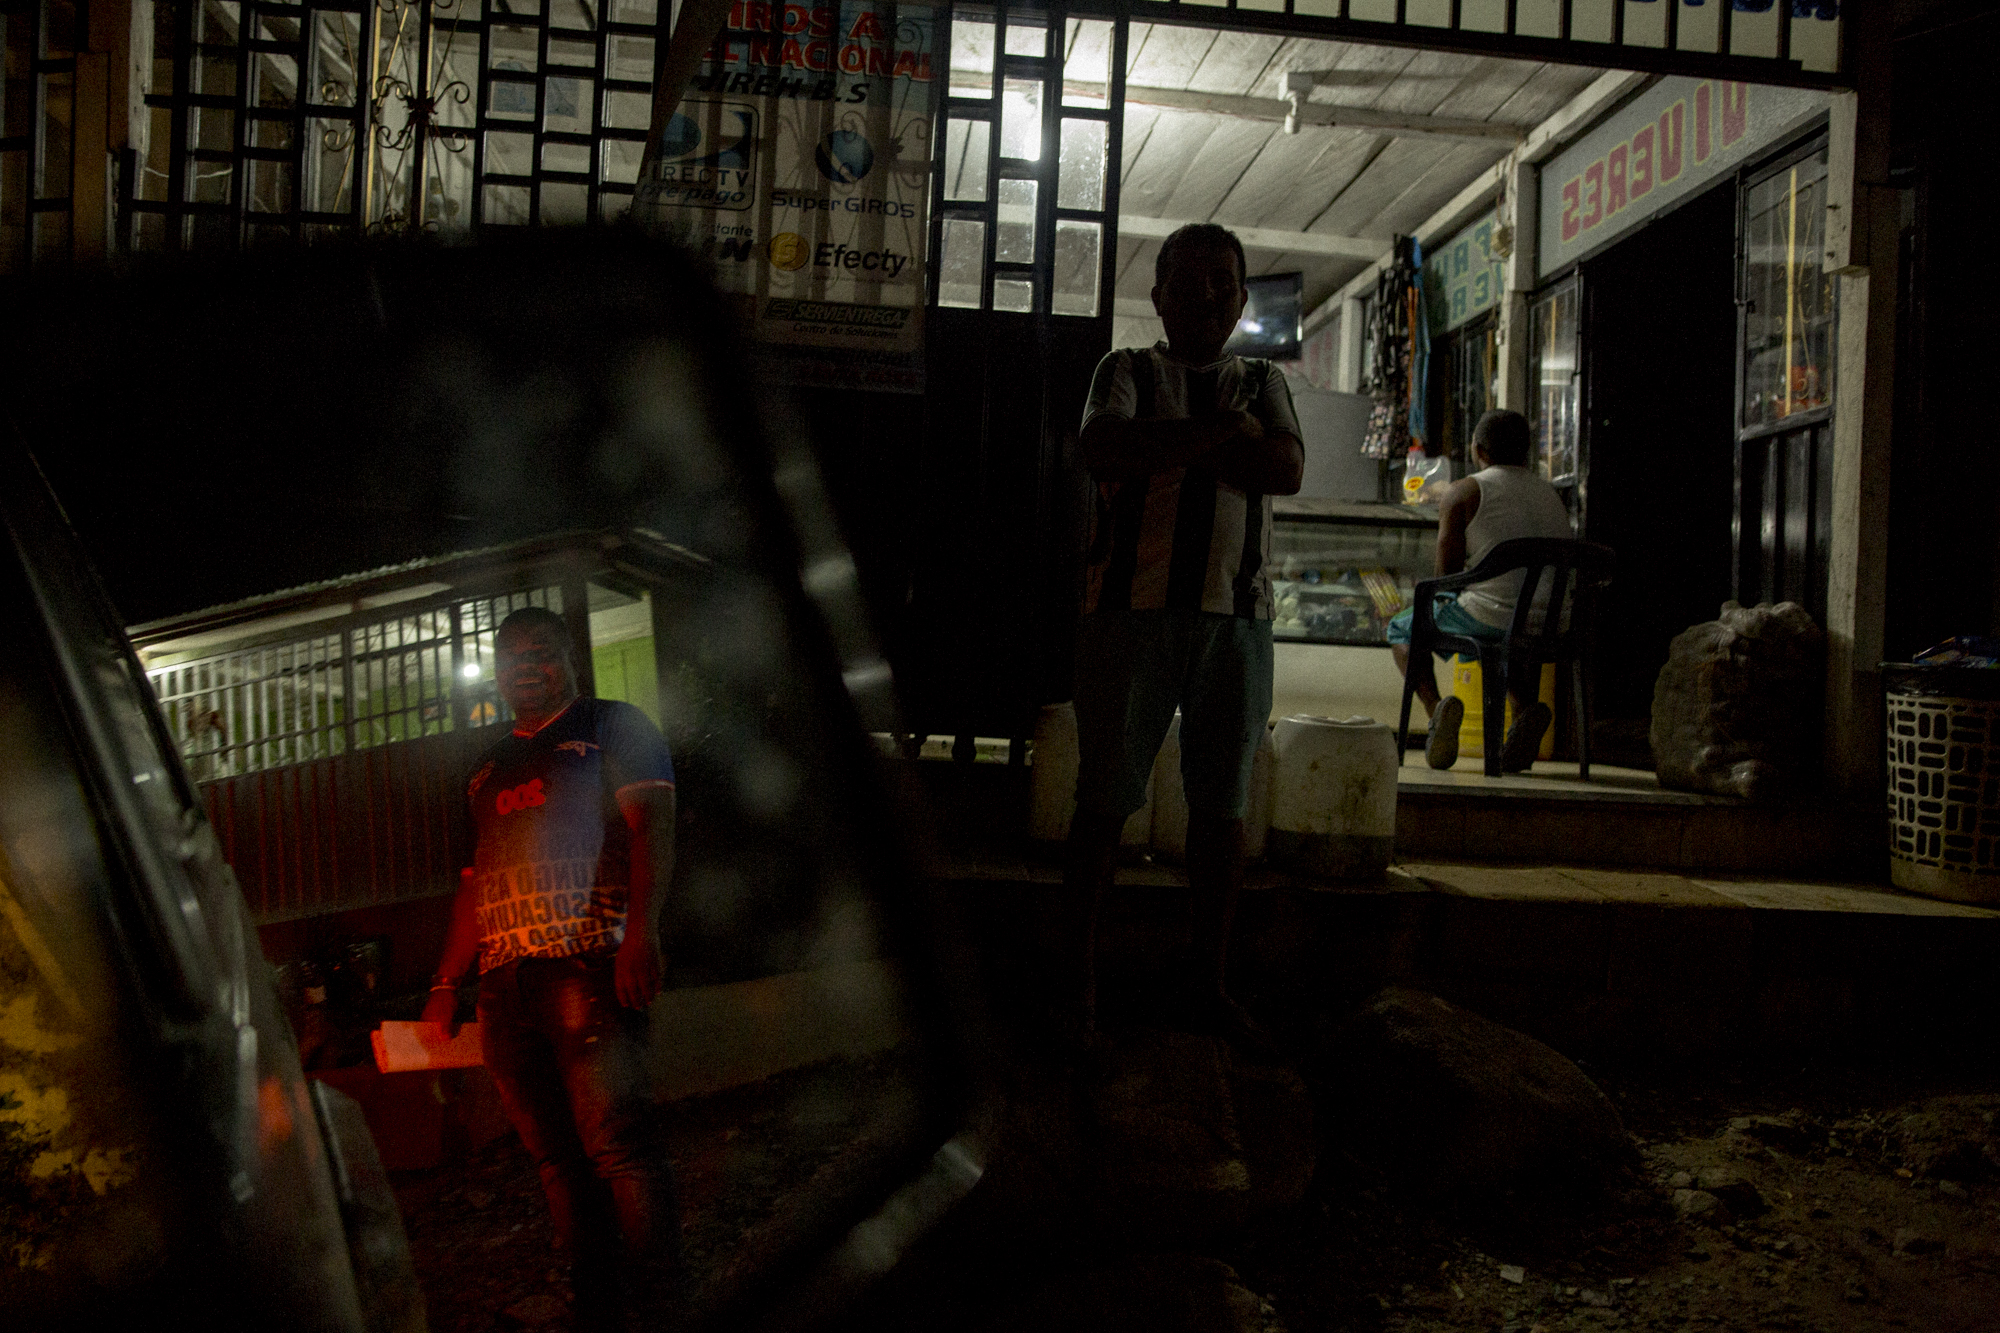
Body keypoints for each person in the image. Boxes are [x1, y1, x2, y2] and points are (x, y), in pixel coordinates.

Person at [1067, 222, 1304, 1041]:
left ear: (1240, 298)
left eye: (1222, 282)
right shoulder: (1125, 369)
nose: (1205, 295)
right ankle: (1080, 987)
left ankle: (1206, 983)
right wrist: (1222, 436)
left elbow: (1286, 469)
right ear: (1157, 295)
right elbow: (1102, 449)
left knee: (1221, 806)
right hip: (1127, 615)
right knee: (1104, 800)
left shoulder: (1266, 378)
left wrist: (1169, 450)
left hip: (1237, 622)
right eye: (1188, 280)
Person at [421, 606, 682, 1327]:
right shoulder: (483, 767)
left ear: (569, 656)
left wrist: (640, 933)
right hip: (506, 986)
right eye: (510, 656)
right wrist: (448, 983)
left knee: (619, 1144)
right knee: (554, 1159)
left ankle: (663, 1299)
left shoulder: (612, 725)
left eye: (540, 651)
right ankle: (599, 1300)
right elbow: (474, 883)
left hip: (590, 963)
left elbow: (652, 827)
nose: (523, 666)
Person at [1388, 408, 1574, 772]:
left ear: (1478, 450)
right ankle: (1523, 713)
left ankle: (1436, 711)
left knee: (1403, 629)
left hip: (1491, 617)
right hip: (1556, 621)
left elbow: (1446, 575)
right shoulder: (1551, 494)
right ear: (1526, 451)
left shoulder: (1465, 491)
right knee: (1510, 632)